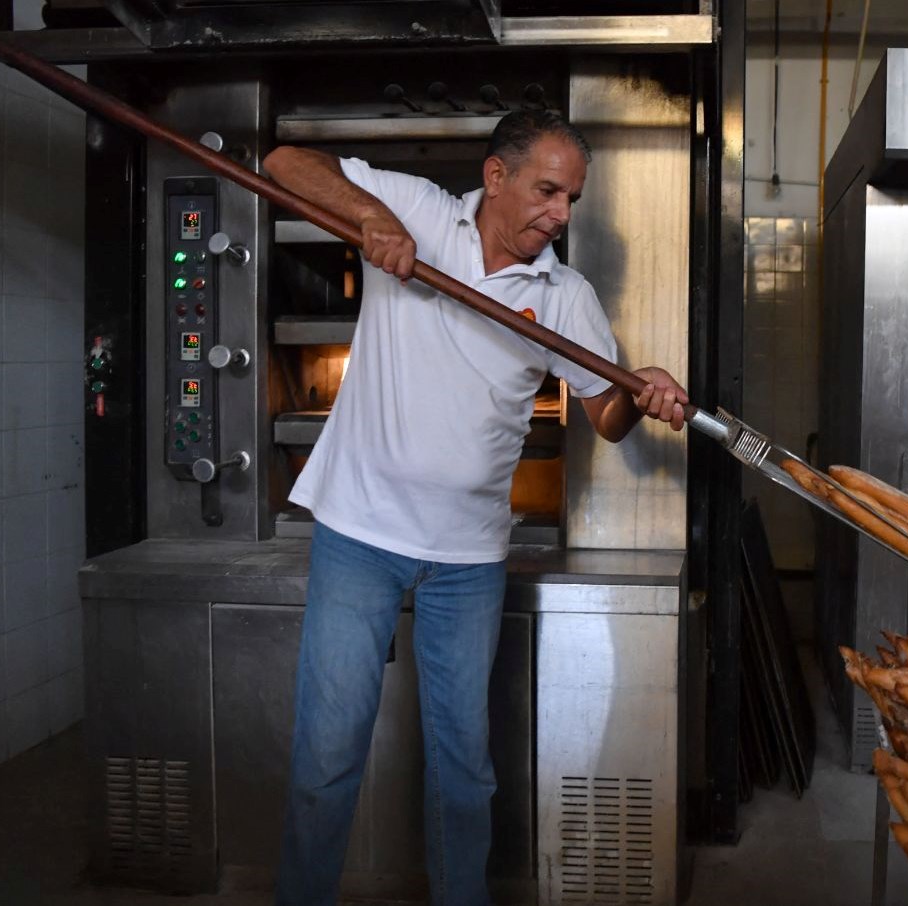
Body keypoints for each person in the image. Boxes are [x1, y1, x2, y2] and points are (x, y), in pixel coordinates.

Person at [263, 110, 688, 906]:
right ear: (495, 177)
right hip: (360, 532)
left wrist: (642, 390)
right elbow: (287, 160)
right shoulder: (422, 209)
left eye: (572, 201)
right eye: (548, 191)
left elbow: (604, 414)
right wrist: (372, 220)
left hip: (468, 559)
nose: (560, 215)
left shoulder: (563, 295)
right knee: (327, 759)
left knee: (464, 771)